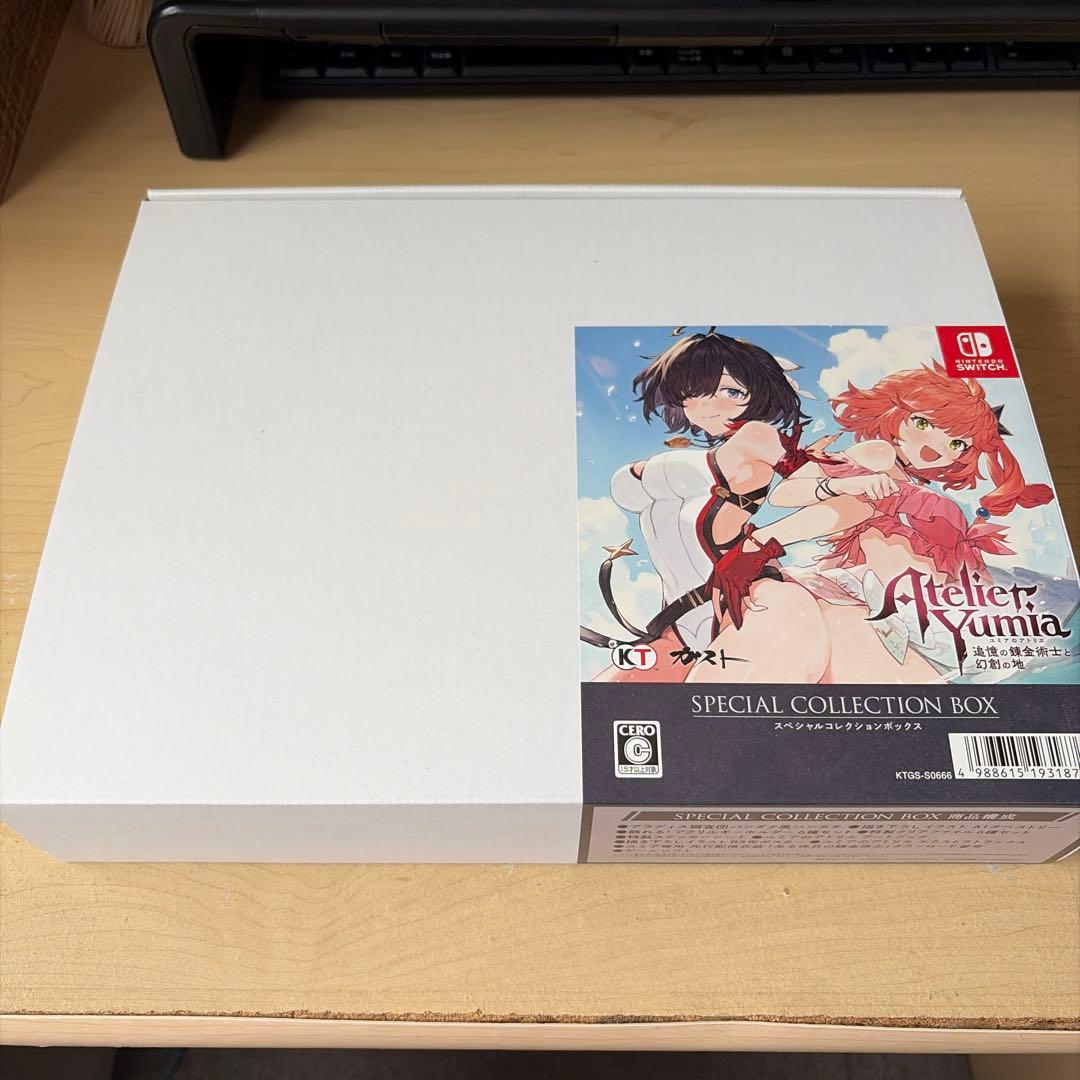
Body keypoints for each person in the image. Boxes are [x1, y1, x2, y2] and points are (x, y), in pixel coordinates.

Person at [687, 362, 1054, 683]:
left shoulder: (911, 484)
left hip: (930, 611)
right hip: (902, 606)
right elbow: (794, 496)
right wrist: (764, 540)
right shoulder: (880, 455)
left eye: (957, 444)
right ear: (893, 414)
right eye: (922, 423)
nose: (937, 448)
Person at [587, 329, 820, 682]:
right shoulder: (697, 457)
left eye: (731, 392)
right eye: (695, 393)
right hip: (680, 616)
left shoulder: (754, 435)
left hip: (749, 600)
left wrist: (763, 541)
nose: (710, 406)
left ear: (756, 392)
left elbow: (824, 484)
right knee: (607, 697)